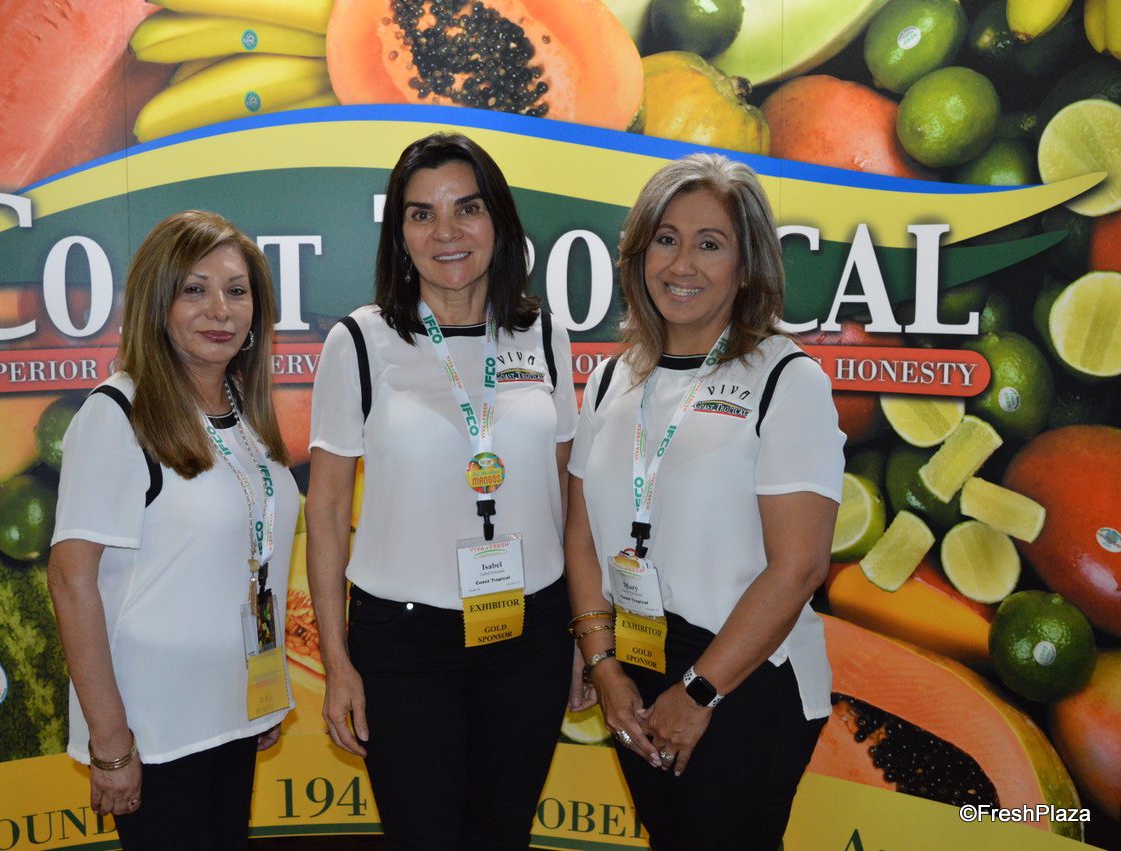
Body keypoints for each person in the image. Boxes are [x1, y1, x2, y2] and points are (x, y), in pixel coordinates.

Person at [564, 153, 845, 850]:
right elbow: (581, 534)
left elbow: (800, 567)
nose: (682, 264)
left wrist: (697, 691)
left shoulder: (786, 379)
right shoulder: (611, 379)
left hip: (740, 676)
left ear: (746, 265)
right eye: (666, 239)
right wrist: (602, 663)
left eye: (710, 244)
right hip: (636, 659)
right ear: (639, 253)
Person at [307, 132, 579, 850]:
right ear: (400, 235)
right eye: (422, 214)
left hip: (530, 632)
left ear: (499, 221)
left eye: (467, 208)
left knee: (502, 835)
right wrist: (337, 661)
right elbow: (327, 510)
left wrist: (586, 633)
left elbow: (565, 490)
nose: (446, 232)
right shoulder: (360, 342)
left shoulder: (543, 332)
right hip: (404, 645)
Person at [48, 210, 298, 850]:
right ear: (157, 303)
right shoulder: (117, 413)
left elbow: (251, 565)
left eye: (236, 291)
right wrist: (111, 744)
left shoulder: (243, 411)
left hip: (231, 713)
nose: (220, 310)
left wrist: (263, 690)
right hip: (156, 732)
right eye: (194, 289)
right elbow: (72, 582)